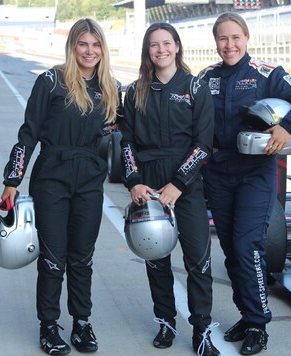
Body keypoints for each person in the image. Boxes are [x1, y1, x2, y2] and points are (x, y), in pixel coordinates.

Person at [0, 18, 122, 355]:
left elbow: (120, 138)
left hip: (89, 181)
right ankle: (49, 326)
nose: (89, 51)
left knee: (82, 258)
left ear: (103, 49)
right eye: (83, 44)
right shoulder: (51, 81)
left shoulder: (109, 86)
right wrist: (12, 179)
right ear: (72, 46)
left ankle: (81, 322)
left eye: (96, 45)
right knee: (53, 258)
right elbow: (29, 133)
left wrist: (136, 177)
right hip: (52, 178)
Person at [198, 12, 291, 356]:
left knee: (247, 245)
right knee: (231, 251)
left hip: (256, 172)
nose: (229, 45)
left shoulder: (266, 74)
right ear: (215, 42)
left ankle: (258, 322)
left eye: (235, 37)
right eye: (222, 38)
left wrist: (289, 126)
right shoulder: (207, 77)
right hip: (218, 172)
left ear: (246, 38)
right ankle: (246, 314)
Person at [119, 22, 219, 356]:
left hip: (185, 183)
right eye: (153, 45)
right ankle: (165, 320)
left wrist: (179, 183)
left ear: (177, 46)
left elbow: (204, 144)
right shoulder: (134, 91)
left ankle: (201, 330)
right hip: (147, 183)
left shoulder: (195, 86)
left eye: (166, 43)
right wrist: (133, 181)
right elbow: (126, 141)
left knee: (198, 259)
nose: (160, 50)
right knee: (156, 257)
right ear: (147, 51)